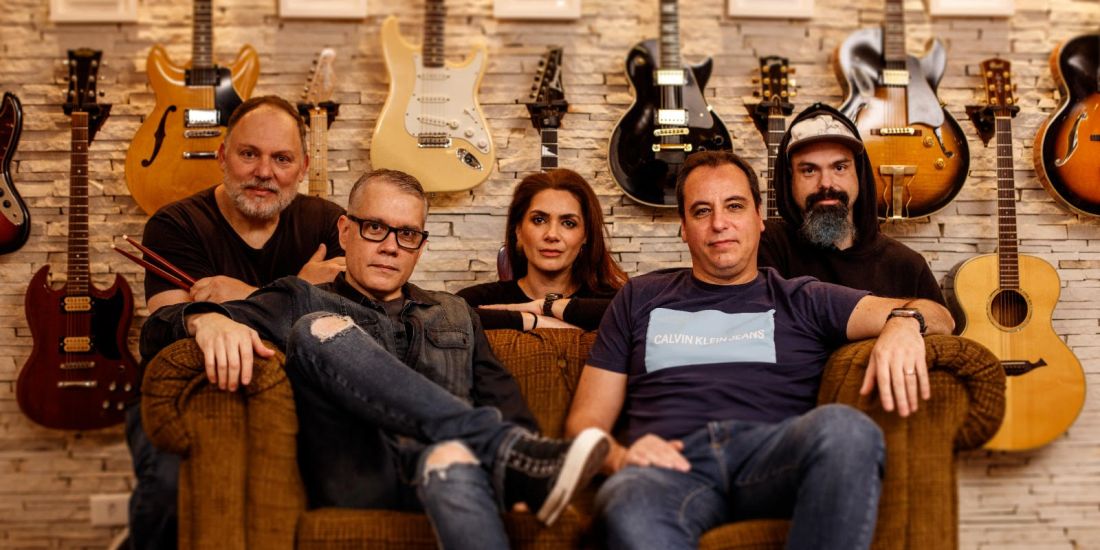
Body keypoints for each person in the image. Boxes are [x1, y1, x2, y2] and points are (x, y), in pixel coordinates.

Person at [140, 169, 611, 550]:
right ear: (346, 231)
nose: (390, 246)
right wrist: (205, 319)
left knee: (449, 457)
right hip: (360, 475)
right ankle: (500, 448)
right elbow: (155, 330)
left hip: (452, 470)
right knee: (318, 327)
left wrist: (520, 461)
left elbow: (505, 402)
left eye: (407, 234)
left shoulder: (455, 312)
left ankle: (502, 455)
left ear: (421, 246)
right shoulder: (298, 298)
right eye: (375, 228)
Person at [564, 150, 954, 550]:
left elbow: (940, 316)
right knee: (627, 497)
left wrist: (905, 322)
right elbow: (584, 424)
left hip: (771, 458)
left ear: (759, 217)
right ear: (683, 226)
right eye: (701, 211)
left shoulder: (802, 298)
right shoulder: (640, 297)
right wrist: (620, 458)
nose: (719, 223)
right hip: (671, 468)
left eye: (734, 206)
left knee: (848, 430)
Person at [128, 95, 346, 550]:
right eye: (249, 154)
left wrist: (245, 296)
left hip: (296, 391)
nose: (264, 172)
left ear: (303, 167)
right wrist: (300, 291)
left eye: (282, 158)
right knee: (171, 492)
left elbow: (343, 325)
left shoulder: (328, 224)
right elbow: (169, 325)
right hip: (189, 391)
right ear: (222, 155)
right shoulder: (176, 225)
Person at [760, 102, 946, 305]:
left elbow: (941, 323)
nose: (826, 183)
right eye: (809, 170)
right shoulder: (765, 247)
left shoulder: (907, 266)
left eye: (839, 167)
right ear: (789, 179)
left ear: (859, 173)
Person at [458, 168, 627, 331]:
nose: (552, 235)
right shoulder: (476, 300)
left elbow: (636, 314)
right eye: (539, 220)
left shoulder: (617, 303)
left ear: (586, 236)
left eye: (568, 223)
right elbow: (448, 318)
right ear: (518, 230)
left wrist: (545, 306)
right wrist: (534, 321)